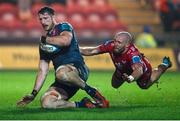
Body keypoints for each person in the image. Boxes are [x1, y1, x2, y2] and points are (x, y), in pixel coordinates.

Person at [17, 6, 109, 109]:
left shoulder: (63, 26)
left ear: (53, 17)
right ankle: (84, 104)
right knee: (47, 103)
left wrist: (45, 39)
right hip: (63, 79)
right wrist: (33, 94)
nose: (43, 22)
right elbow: (43, 70)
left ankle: (93, 92)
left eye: (46, 18)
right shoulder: (44, 44)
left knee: (61, 72)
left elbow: (66, 41)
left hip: (78, 70)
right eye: (40, 19)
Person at [80, 31, 172, 90]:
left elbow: (139, 70)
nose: (115, 44)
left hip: (142, 70)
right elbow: (93, 50)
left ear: (127, 45)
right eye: (115, 40)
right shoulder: (111, 45)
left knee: (144, 86)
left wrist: (130, 78)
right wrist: (76, 49)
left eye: (119, 42)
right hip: (123, 69)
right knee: (114, 85)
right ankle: (122, 72)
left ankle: (163, 65)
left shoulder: (133, 54)